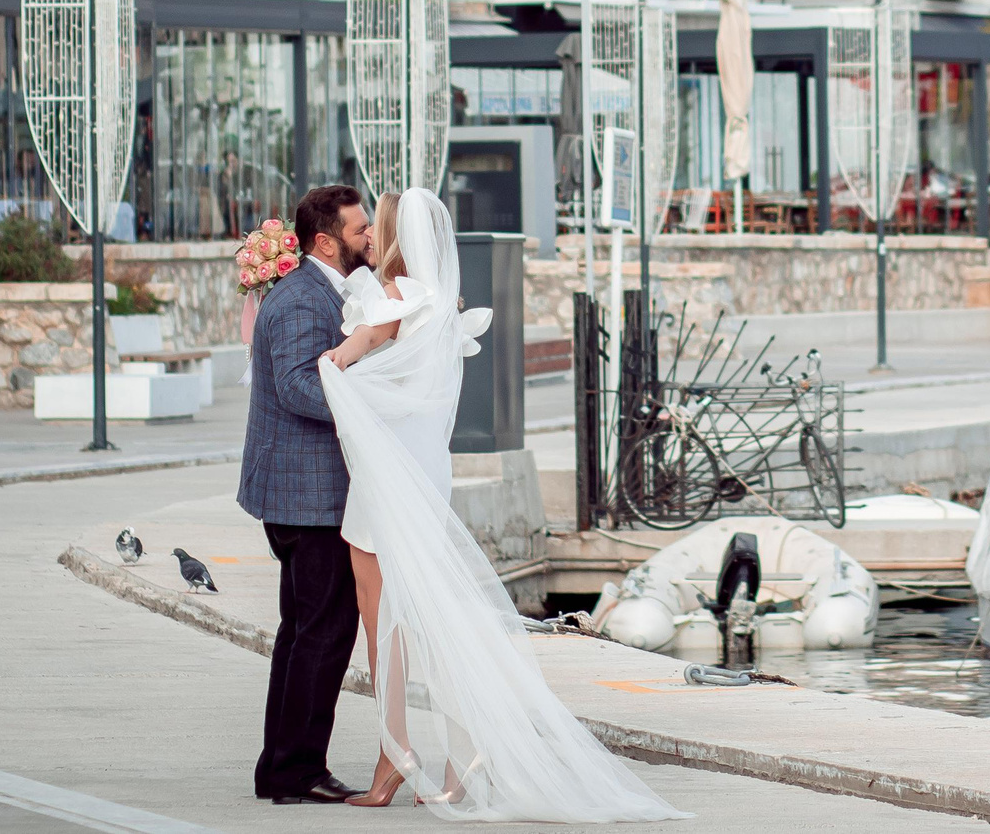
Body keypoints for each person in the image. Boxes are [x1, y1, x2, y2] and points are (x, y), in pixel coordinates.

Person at [318, 186, 682, 822]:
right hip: (427, 470)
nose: (369, 240)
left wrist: (326, 363)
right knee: (425, 612)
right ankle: (461, 750)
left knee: (384, 619)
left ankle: (395, 753)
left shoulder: (397, 299)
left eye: (376, 230)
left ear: (398, 238)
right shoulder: (442, 305)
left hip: (387, 476)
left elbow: (343, 360)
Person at [238, 183, 374, 805]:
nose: (370, 237)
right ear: (327, 240)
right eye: (360, 229)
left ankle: (282, 767)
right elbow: (296, 387)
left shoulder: (320, 291)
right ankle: (296, 771)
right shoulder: (301, 301)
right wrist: (372, 410)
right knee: (322, 633)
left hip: (303, 492)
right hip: (307, 496)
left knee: (303, 632)